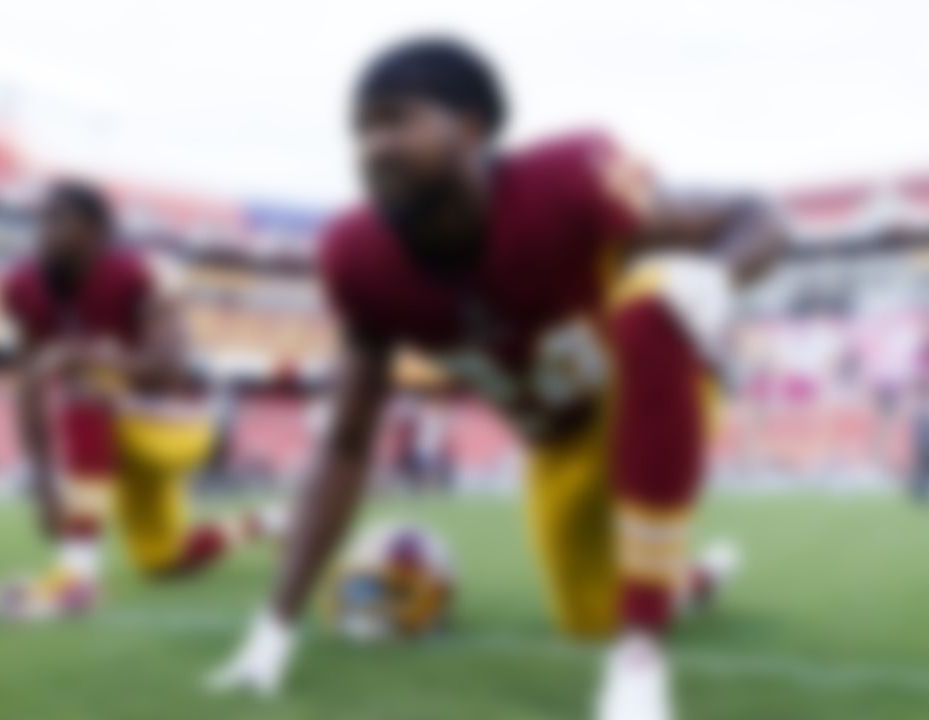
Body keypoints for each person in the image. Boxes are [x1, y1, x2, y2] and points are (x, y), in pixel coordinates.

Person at [210, 37, 783, 719]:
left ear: (471, 128)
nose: (375, 146)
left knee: (654, 298)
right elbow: (345, 443)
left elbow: (758, 216)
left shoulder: (571, 175)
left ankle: (639, 664)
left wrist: (717, 278)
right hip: (557, 443)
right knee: (585, 617)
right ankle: (691, 579)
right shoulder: (356, 257)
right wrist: (274, 627)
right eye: (363, 130)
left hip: (648, 386)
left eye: (396, 119)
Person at [0, 181, 278, 619]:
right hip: (115, 437)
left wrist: (91, 356)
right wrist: (42, 484)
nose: (43, 232)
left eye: (57, 221)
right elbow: (28, 383)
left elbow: (173, 366)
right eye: (40, 221)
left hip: (175, 425)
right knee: (164, 561)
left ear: (96, 229)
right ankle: (270, 522)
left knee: (84, 387)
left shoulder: (141, 272)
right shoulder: (23, 288)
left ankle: (77, 578)